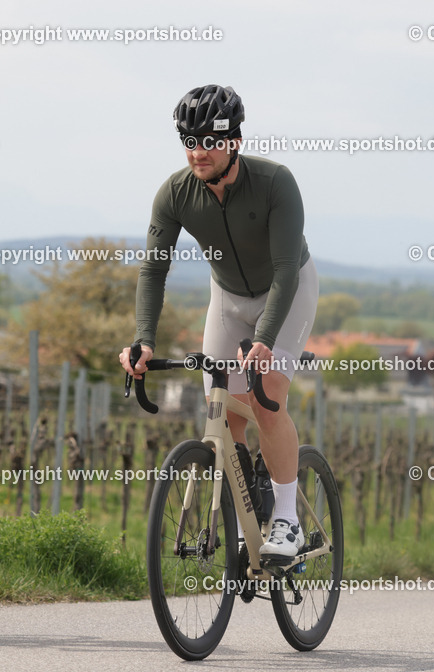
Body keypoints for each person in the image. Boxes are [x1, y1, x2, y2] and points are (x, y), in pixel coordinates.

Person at [119, 85, 318, 562]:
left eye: (209, 140)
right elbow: (153, 269)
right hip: (227, 297)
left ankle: (287, 521)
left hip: (285, 290)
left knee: (266, 400)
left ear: (234, 141)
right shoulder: (175, 192)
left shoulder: (275, 182)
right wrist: (144, 341)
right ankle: (247, 503)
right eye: (189, 140)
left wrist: (265, 341)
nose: (198, 151)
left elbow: (287, 269)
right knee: (223, 412)